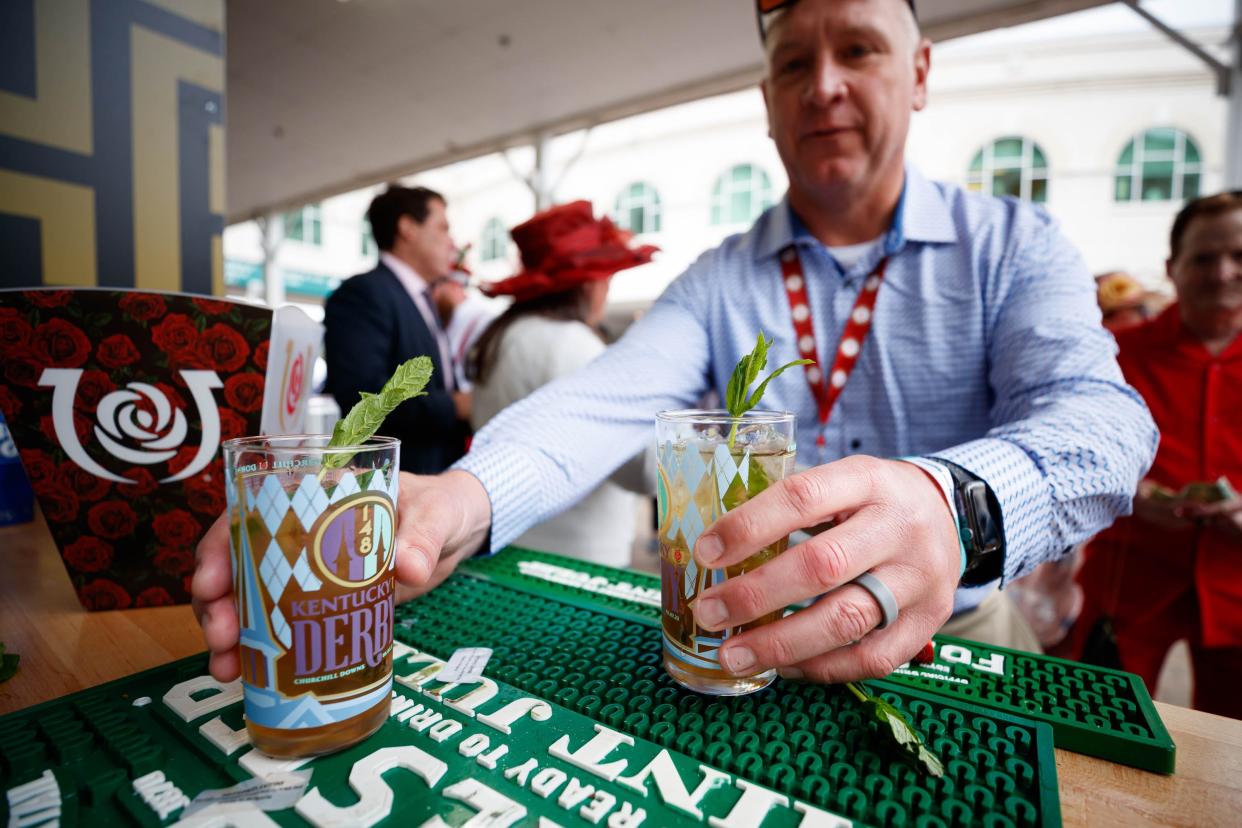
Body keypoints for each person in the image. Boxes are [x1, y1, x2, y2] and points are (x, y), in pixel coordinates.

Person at [194, 0, 1157, 686]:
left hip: (953, 638)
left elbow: (1105, 424)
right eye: (792, 63)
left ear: (919, 72)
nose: (823, 85)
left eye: (859, 47)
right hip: (728, 639)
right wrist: (456, 500)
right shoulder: (718, 279)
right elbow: (604, 399)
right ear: (768, 98)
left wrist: (957, 508)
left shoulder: (1013, 248)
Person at [1069, 191, 1242, 717]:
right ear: (1173, 268)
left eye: (1238, 257)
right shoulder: (1116, 353)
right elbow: (1073, 451)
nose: (1222, 273)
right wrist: (1132, 494)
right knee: (1098, 719)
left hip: (1236, 584)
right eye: (1204, 258)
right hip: (1130, 576)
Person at [469, 201, 657, 567]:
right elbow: (643, 470)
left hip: (507, 540)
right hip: (579, 555)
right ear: (587, 283)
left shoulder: (501, 337)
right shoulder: (575, 345)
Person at [323, 185, 472, 475]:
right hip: (393, 483)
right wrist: (456, 406)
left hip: (435, 477)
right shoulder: (363, 294)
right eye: (442, 228)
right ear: (407, 229)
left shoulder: (422, 299)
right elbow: (363, 397)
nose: (451, 242)